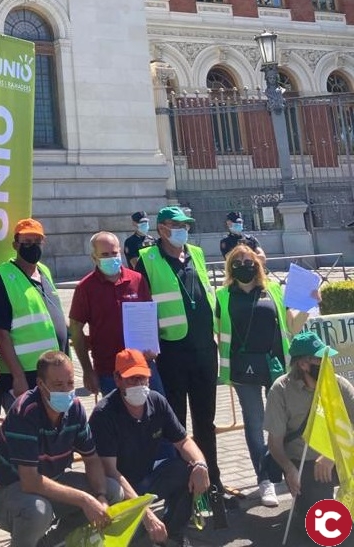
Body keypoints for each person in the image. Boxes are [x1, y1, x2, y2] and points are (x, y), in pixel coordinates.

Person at [135, 206, 233, 506]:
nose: (182, 231)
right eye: (176, 225)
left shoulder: (196, 254)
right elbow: (141, 305)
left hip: (204, 350)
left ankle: (212, 483)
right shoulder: (146, 259)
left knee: (206, 422)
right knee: (175, 424)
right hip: (171, 352)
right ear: (162, 228)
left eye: (186, 226)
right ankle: (182, 491)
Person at [0, 352, 122, 547]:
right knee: (38, 511)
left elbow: (91, 459)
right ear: (41, 384)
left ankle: (51, 543)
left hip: (50, 482)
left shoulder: (75, 408)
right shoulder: (25, 412)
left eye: (70, 383)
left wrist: (100, 496)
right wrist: (84, 500)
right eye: (58, 385)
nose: (66, 391)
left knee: (113, 490)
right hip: (7, 491)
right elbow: (30, 481)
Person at [216, 244, 316, 508]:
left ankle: (288, 473)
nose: (244, 266)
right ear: (230, 267)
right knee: (254, 423)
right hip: (242, 369)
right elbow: (217, 330)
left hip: (275, 365)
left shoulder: (272, 289)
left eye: (249, 261)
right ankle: (265, 480)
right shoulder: (222, 295)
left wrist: (309, 303)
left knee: (282, 423)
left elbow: (292, 326)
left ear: (257, 264)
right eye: (237, 262)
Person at [89, 349, 210, 547]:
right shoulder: (104, 414)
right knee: (136, 537)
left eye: (143, 378)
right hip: (117, 490)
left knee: (187, 470)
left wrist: (201, 465)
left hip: (146, 479)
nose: (139, 384)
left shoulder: (156, 401)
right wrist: (146, 514)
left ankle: (172, 536)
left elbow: (183, 441)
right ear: (117, 379)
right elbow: (111, 471)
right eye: (132, 379)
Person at [264, 332, 354, 543]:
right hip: (304, 462)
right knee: (323, 528)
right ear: (304, 364)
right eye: (321, 358)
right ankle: (304, 511)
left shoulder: (338, 384)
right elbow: (274, 443)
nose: (327, 362)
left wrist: (331, 455)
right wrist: (289, 469)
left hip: (340, 455)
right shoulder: (280, 390)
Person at [0, 218, 68, 410]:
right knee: (28, 426)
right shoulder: (2, 278)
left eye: (37, 241)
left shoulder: (44, 271)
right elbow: (0, 333)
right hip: (25, 375)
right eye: (27, 242)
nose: (33, 246)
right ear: (15, 245)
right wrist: (18, 376)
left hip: (53, 371)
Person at [70, 231, 164, 396]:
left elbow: (149, 316)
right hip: (109, 371)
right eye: (105, 255)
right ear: (94, 257)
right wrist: (87, 370)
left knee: (156, 408)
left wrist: (152, 345)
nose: (111, 258)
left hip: (142, 365)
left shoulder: (137, 280)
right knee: (116, 413)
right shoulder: (85, 288)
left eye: (114, 253)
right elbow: (76, 328)